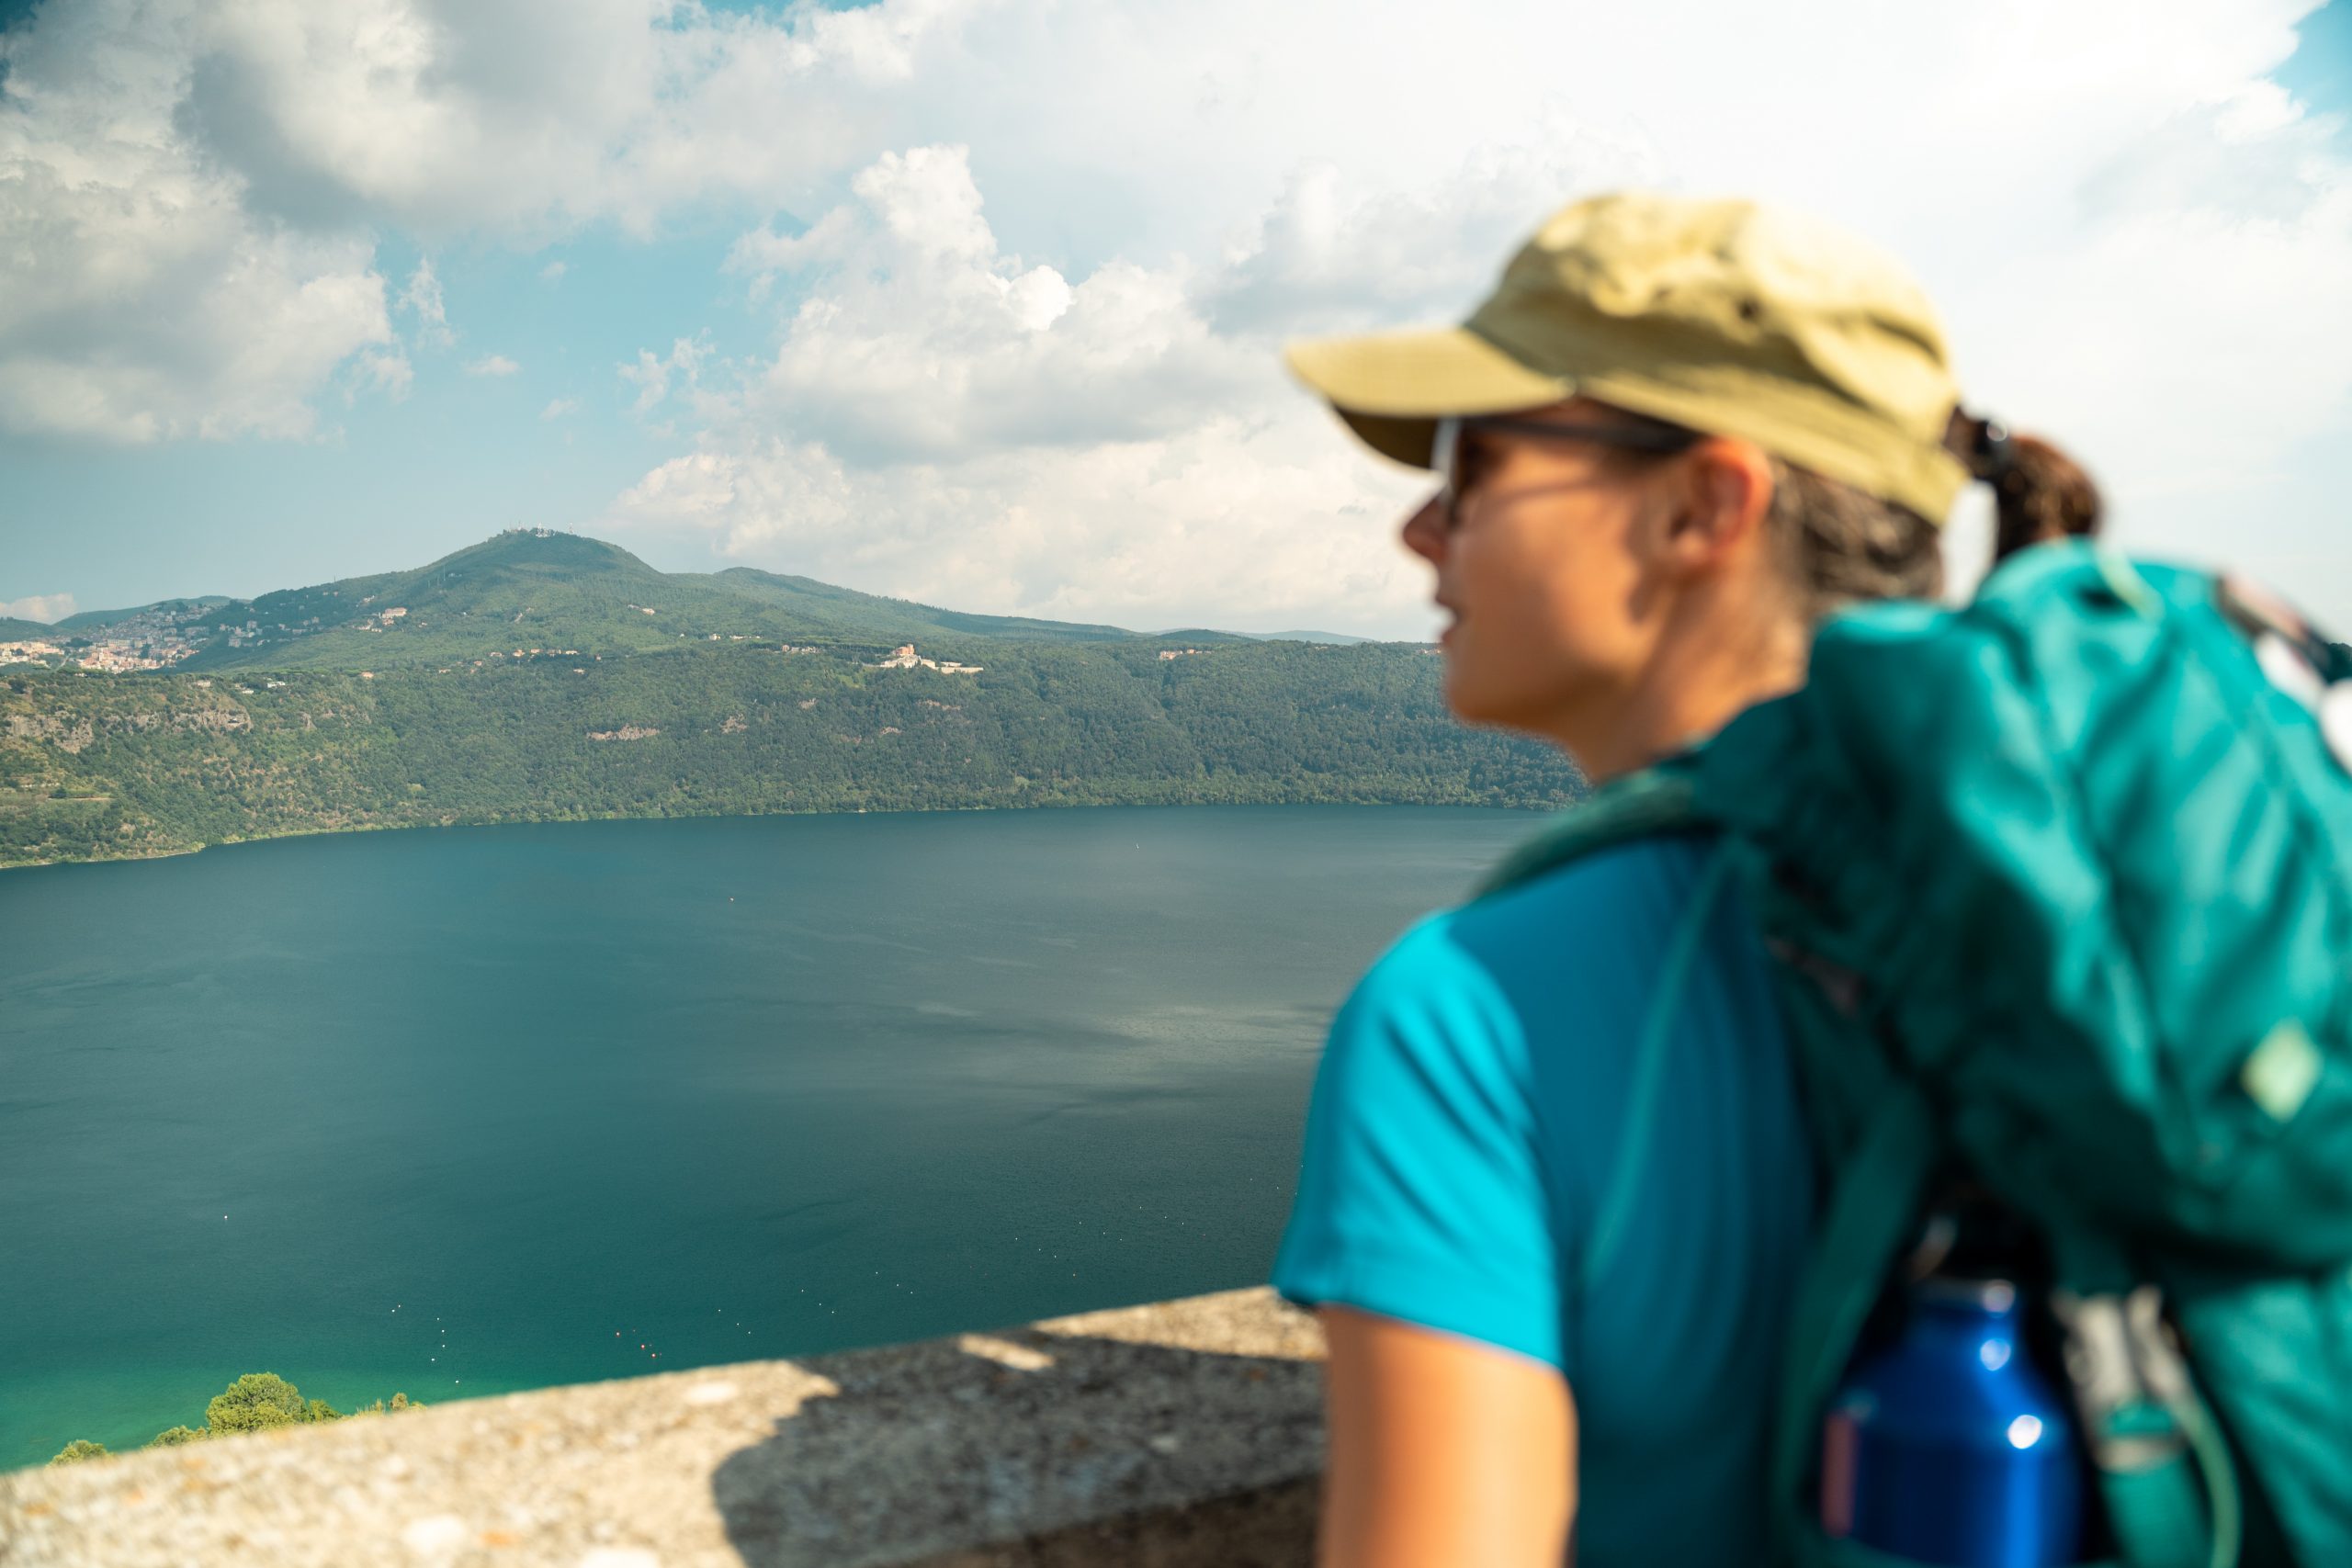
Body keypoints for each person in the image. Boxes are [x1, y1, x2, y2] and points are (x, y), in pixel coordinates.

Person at [1269, 191, 2100, 1566]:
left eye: (1475, 467)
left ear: (1703, 504)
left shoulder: (1472, 1015)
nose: (1423, 531)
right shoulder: (2129, 904)